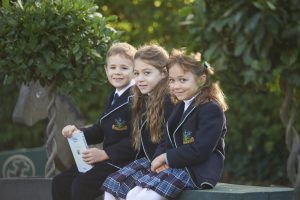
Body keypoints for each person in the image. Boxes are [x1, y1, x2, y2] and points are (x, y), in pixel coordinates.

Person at [125, 49, 228, 200]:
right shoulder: (180, 105)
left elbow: (201, 150)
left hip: (196, 171)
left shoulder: (210, 108)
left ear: (201, 80)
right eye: (172, 81)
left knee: (146, 197)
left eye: (183, 80)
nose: (176, 86)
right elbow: (166, 138)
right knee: (132, 194)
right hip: (177, 166)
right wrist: (158, 159)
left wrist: (166, 158)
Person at [51, 42, 137, 200]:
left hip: (124, 162)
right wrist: (78, 132)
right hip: (106, 160)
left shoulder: (137, 99)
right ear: (106, 69)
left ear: (134, 71)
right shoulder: (113, 96)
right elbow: (100, 130)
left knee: (81, 185)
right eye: (113, 68)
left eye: (124, 68)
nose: (117, 73)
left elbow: (137, 140)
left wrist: (105, 153)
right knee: (60, 182)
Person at [101, 44, 174, 200]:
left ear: (163, 73)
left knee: (136, 196)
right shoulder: (142, 98)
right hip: (148, 159)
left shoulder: (170, 100)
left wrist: (158, 161)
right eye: (136, 73)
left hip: (167, 162)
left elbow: (169, 139)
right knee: (112, 186)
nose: (140, 79)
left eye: (146, 73)